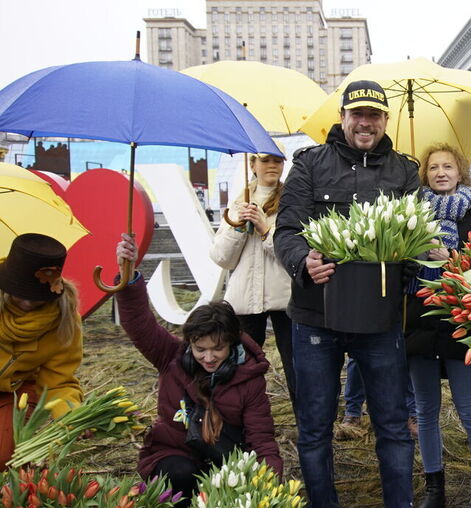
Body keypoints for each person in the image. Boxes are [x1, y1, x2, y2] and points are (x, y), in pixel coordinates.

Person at [274, 79, 420, 508]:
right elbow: (287, 230)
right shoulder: (309, 164)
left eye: (374, 115)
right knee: (315, 425)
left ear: (384, 120)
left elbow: (415, 238)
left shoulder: (403, 170)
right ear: (342, 118)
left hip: (379, 319)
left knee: (392, 423)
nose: (365, 123)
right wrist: (303, 261)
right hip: (315, 315)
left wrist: (414, 259)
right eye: (357, 114)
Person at [115, 234, 281, 506]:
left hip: (224, 461)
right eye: (199, 348)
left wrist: (270, 484)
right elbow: (138, 324)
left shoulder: (249, 377)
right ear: (189, 342)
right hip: (173, 453)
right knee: (181, 474)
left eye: (217, 349)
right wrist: (128, 273)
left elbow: (261, 438)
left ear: (231, 343)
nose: (208, 357)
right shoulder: (171, 356)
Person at [403, 143, 471, 507]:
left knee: (470, 408)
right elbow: (397, 266)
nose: (441, 172)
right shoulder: (411, 213)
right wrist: (414, 253)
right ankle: (434, 486)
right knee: (426, 410)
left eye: (448, 166)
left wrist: (454, 258)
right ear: (424, 175)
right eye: (433, 168)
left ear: (461, 171)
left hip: (463, 319)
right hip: (420, 317)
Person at [210, 149, 296, 404]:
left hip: (286, 298)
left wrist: (265, 229)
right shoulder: (238, 204)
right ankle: (244, 421)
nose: (272, 166)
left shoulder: (292, 201)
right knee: (242, 368)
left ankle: (308, 429)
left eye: (277, 161)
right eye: (265, 161)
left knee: (296, 368)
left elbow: (293, 255)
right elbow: (222, 258)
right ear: (253, 164)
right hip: (244, 300)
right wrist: (238, 226)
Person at [0, 233, 82, 469]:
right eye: (20, 292)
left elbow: (58, 382)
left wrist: (70, 415)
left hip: (17, 392)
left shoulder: (64, 321)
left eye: (36, 297)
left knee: (5, 455)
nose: (27, 302)